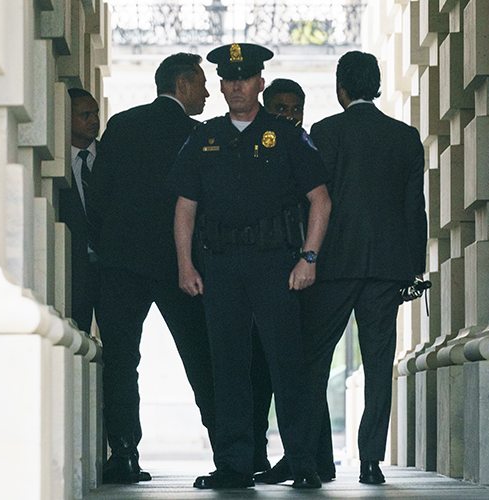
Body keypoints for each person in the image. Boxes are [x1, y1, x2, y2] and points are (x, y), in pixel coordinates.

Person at [172, 43, 332, 490]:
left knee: (287, 366)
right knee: (228, 366)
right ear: (221, 85)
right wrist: (185, 264)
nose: (236, 85)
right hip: (220, 266)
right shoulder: (204, 137)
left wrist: (309, 257)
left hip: (276, 265)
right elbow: (185, 206)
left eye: (245, 78)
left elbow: (320, 199)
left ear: (259, 83)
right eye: (228, 78)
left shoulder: (285, 135)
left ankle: (302, 461)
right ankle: (235, 465)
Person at [89, 53, 215, 484]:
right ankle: (231, 453)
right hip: (180, 266)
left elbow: (99, 194)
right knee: (202, 358)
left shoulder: (121, 125)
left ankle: (123, 453)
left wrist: (108, 244)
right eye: (200, 84)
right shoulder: (198, 135)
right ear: (181, 85)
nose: (207, 92)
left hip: (121, 263)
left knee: (122, 360)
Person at [304, 50, 427, 484]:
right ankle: (371, 460)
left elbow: (314, 201)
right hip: (387, 267)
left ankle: (312, 457)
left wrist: (307, 255)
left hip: (334, 263)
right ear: (376, 85)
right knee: (378, 363)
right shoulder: (405, 136)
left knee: (314, 360)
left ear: (341, 89)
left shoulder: (324, 132)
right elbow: (416, 209)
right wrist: (416, 270)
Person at [251, 78, 337, 485]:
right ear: (267, 108)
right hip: (270, 269)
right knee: (272, 368)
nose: (289, 115)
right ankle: (284, 455)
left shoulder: (307, 146)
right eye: (280, 108)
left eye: (295, 108)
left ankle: (312, 457)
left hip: (308, 272)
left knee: (303, 368)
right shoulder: (260, 147)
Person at [59, 88, 101, 334]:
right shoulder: (55, 162)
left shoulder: (112, 159)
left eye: (95, 113)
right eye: (85, 115)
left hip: (110, 271)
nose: (94, 120)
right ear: (67, 117)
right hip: (72, 270)